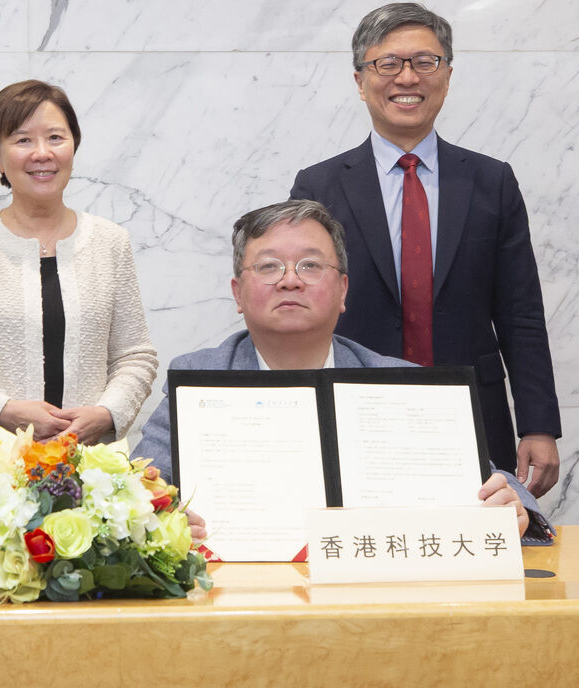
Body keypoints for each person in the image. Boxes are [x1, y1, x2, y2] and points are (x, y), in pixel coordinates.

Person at [133, 200, 547, 542]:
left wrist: (511, 508)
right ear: (238, 294)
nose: (290, 281)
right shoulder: (199, 376)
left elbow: (498, 484)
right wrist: (160, 520)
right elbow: (136, 490)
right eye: (269, 266)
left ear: (343, 291)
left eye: (311, 266)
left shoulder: (398, 380)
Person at [289, 1, 562, 497]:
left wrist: (538, 425)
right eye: (387, 63)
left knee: (476, 560)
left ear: (448, 74)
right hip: (354, 412)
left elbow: (521, 313)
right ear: (359, 80)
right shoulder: (320, 185)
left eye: (424, 62)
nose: (406, 78)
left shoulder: (490, 181)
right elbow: (299, 312)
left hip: (471, 413)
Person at [0, 80, 158, 478]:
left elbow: (135, 356)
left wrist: (106, 414)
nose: (42, 153)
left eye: (56, 137)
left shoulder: (110, 242)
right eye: (22, 140)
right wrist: (3, 411)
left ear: (73, 146)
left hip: (91, 476)